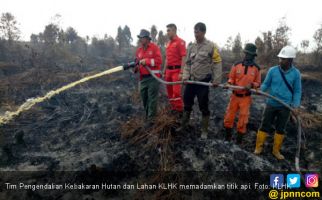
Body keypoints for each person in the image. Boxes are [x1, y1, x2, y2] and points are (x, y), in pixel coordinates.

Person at [254, 46, 301, 160]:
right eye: (280, 58)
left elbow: (297, 91)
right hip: (271, 103)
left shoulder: (296, 74)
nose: (280, 61)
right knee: (264, 125)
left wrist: (295, 106)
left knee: (280, 129)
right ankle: (258, 147)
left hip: (285, 107)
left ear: (290, 60)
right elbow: (266, 84)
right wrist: (261, 90)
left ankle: (276, 150)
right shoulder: (273, 70)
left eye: (283, 59)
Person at [178, 22, 222, 139]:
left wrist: (217, 79)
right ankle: (184, 125)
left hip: (203, 81)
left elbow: (217, 62)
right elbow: (187, 63)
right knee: (187, 102)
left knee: (203, 105)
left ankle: (204, 130)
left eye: (197, 32)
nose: (195, 34)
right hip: (191, 81)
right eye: (194, 32)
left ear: (203, 32)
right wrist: (185, 76)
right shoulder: (191, 46)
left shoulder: (211, 46)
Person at [223, 43, 261, 144]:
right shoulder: (236, 65)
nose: (248, 56)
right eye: (247, 54)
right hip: (235, 96)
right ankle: (227, 139)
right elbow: (231, 78)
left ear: (253, 56)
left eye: (251, 55)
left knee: (243, 119)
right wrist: (229, 83)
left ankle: (239, 143)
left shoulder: (256, 68)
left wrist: (252, 85)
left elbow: (258, 83)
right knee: (229, 117)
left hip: (246, 98)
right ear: (244, 53)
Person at [134, 29, 162, 127]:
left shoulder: (154, 48)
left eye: (142, 38)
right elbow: (137, 63)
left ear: (147, 38)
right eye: (140, 38)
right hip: (143, 79)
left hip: (153, 78)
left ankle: (152, 120)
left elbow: (159, 61)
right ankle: (148, 116)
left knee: (152, 99)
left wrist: (148, 61)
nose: (140, 39)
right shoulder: (139, 50)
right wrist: (135, 68)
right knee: (145, 99)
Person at [163, 24, 186, 115]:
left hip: (176, 71)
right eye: (167, 30)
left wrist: (181, 72)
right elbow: (167, 59)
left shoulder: (181, 42)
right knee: (169, 92)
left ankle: (180, 111)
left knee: (176, 93)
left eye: (168, 30)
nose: (167, 32)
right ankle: (173, 109)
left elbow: (184, 57)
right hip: (168, 71)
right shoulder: (168, 44)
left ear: (174, 30)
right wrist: (164, 71)